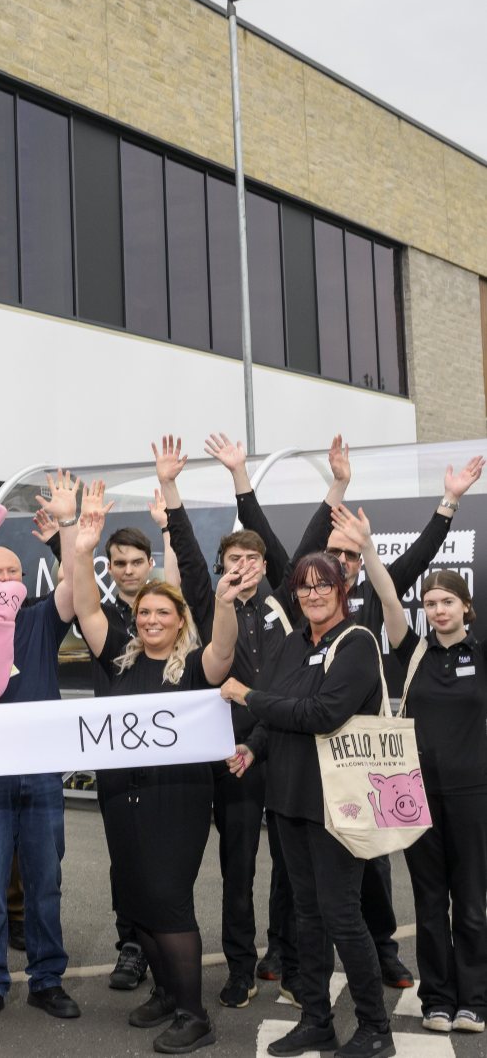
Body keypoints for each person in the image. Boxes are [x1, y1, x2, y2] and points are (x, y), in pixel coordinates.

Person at [210, 434, 484, 990]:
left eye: (349, 555)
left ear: (360, 563)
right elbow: (274, 538)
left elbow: (420, 556)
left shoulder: (377, 599)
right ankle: (284, 953)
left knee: (372, 862)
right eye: (331, 554)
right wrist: (242, 476)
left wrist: (448, 502)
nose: (338, 562)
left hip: (365, 749)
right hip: (302, 749)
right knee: (295, 868)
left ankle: (384, 952)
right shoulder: (306, 592)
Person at [157, 435, 347, 1010]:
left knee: (293, 871)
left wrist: (334, 485)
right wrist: (169, 486)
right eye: (232, 561)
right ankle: (239, 969)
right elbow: (187, 550)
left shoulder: (286, 602)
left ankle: (285, 960)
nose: (241, 568)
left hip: (287, 749)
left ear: (267, 567)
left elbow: (315, 541)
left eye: (251, 560)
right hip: (232, 755)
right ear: (223, 568)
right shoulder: (207, 599)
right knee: (237, 870)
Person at [70, 501, 244, 1054]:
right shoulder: (118, 662)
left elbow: (225, 649)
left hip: (179, 800)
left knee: (168, 901)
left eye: (162, 614)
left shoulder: (194, 668)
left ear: (178, 620)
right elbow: (87, 609)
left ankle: (194, 1015)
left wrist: (221, 601)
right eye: (144, 614)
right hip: (123, 799)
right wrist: (79, 550)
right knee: (137, 899)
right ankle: (167, 994)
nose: (150, 621)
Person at [222, 538, 405, 1058]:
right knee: (307, 916)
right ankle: (316, 1019)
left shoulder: (358, 642)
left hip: (338, 801)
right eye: (305, 586)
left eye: (324, 583)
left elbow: (321, 712)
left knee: (342, 915)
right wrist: (254, 748)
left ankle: (375, 1029)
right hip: (289, 797)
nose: (314, 593)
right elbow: (276, 713)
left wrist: (248, 696)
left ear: (342, 588)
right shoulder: (293, 640)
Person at [0, 471, 81, 1028]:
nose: (6, 579)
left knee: (45, 881)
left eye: (13, 572)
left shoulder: (41, 619)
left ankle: (48, 980)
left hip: (42, 772)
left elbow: (77, 586)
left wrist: (68, 528)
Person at [49, 476, 179, 994]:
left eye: (135, 562)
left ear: (150, 566)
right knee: (124, 855)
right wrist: (75, 533)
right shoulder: (101, 617)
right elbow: (78, 595)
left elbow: (185, 583)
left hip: (169, 756)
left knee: (165, 856)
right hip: (115, 755)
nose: (127, 571)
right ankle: (131, 946)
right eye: (118, 563)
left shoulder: (170, 613)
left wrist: (170, 528)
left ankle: (166, 943)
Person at [379, 565, 486, 1034]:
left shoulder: (482, 655)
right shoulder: (412, 653)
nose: (438, 610)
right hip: (415, 797)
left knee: (471, 902)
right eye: (430, 603)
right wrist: (366, 548)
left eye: (447, 601)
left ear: (465, 605)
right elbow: (386, 597)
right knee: (427, 901)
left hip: (473, 796)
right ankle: (437, 1000)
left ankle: (474, 1001)